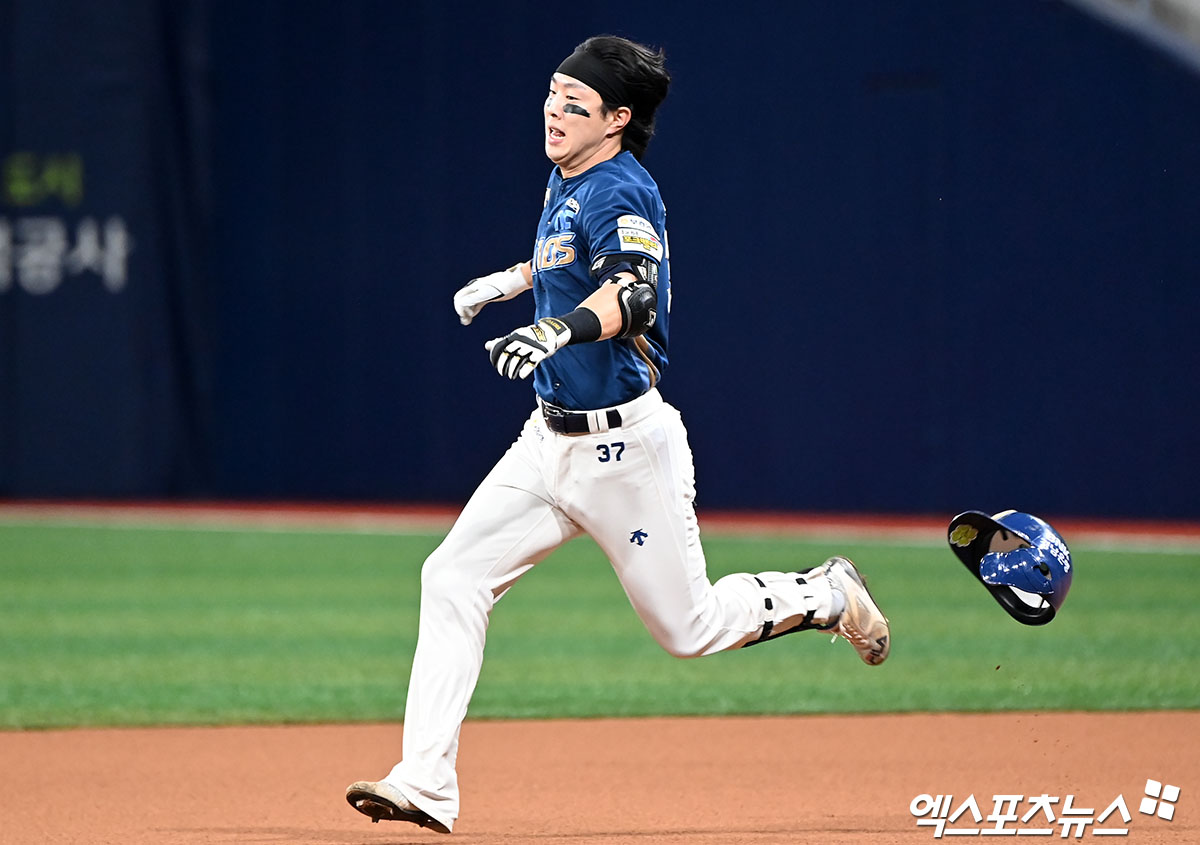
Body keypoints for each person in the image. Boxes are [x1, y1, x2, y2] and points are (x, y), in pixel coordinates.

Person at [346, 35, 890, 834]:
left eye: (577, 103)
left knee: (689, 628)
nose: (555, 111)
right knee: (451, 576)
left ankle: (828, 592)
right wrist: (513, 280)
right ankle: (426, 781)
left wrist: (561, 329)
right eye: (554, 94)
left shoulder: (622, 190)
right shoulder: (569, 177)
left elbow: (631, 293)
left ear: (618, 119)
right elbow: (568, 257)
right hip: (547, 443)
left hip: (625, 450)